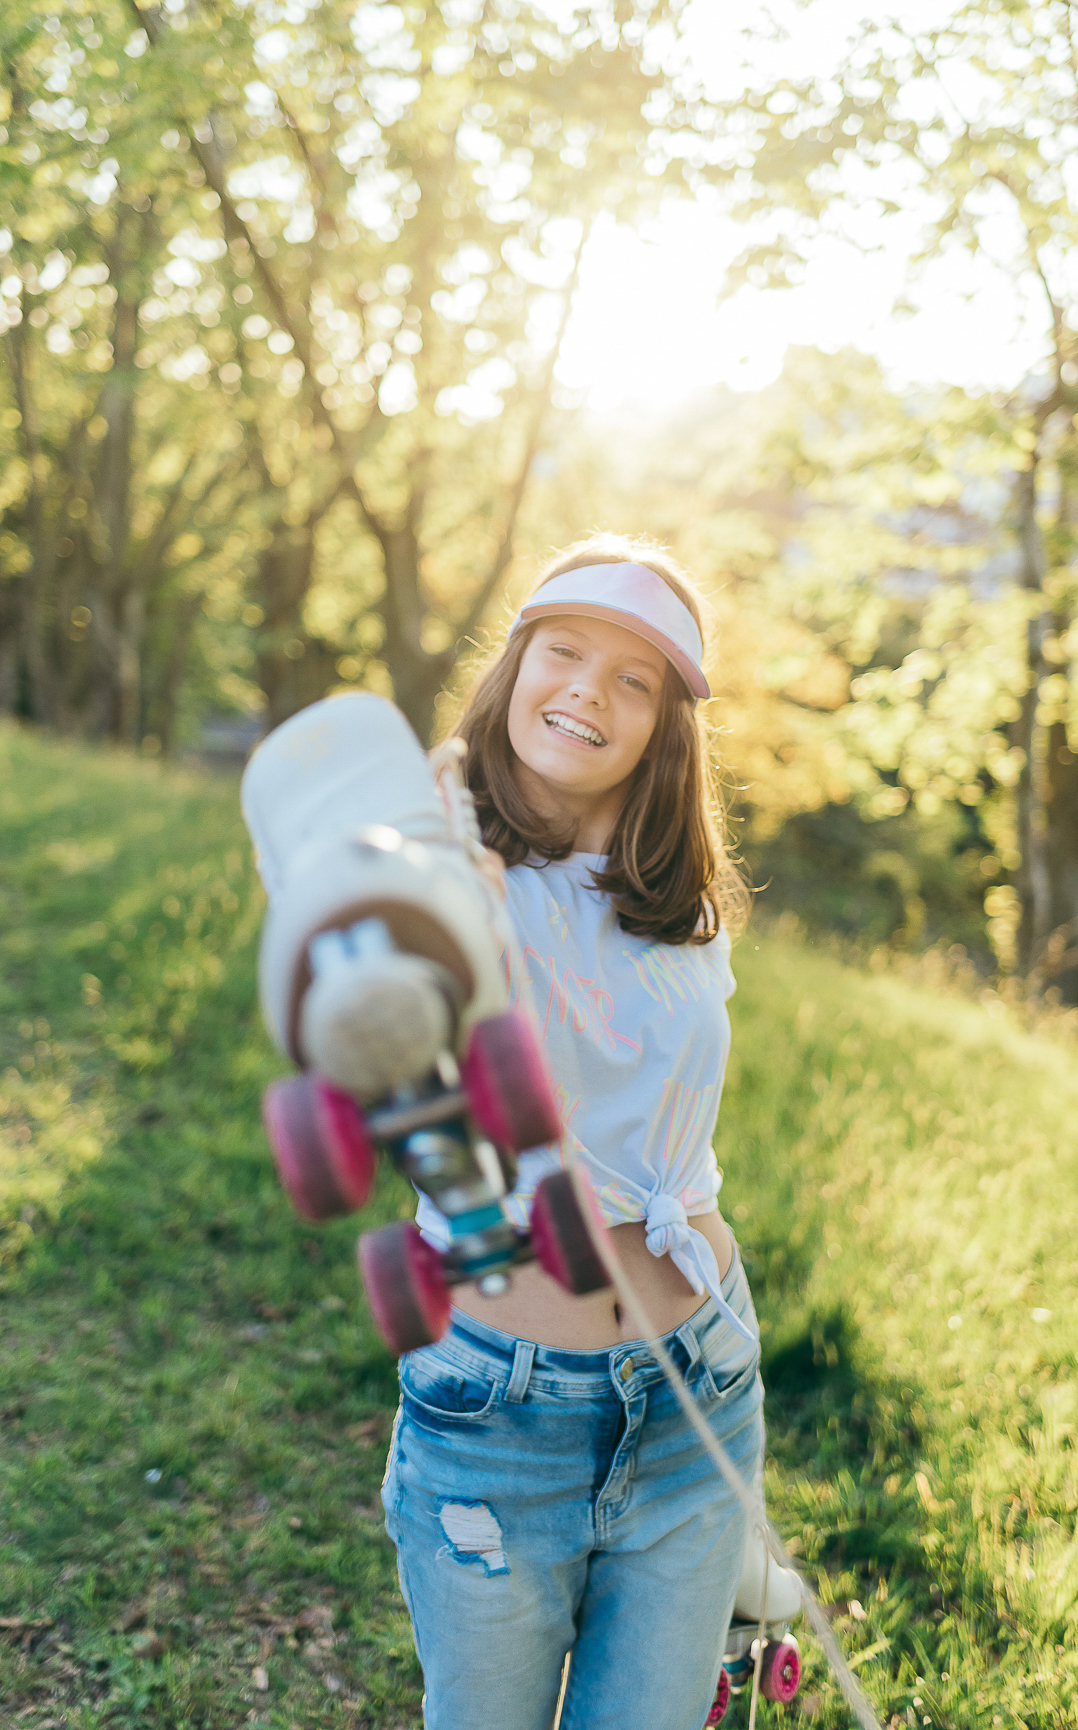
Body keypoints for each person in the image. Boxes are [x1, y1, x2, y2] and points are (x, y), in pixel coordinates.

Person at [377, 535, 771, 1730]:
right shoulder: (434, 871)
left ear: (665, 726)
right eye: (564, 652)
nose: (588, 692)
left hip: (697, 1384)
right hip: (502, 1419)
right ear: (516, 670)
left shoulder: (683, 910)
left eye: (634, 678)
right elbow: (396, 1100)